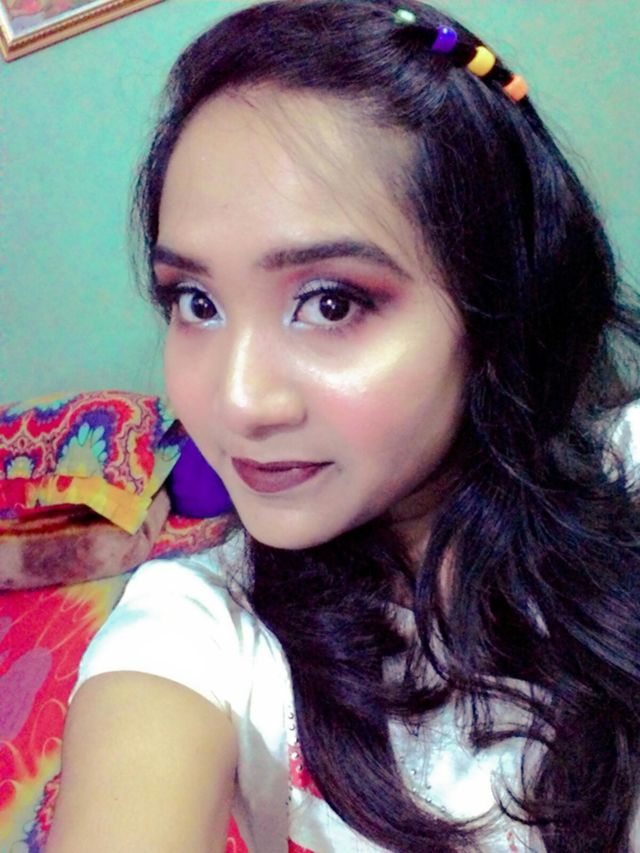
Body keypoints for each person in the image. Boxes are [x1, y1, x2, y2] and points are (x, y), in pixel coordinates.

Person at [47, 1, 640, 851]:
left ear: (500, 302)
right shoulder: (198, 625)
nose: (237, 401)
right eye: (196, 301)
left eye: (330, 302)